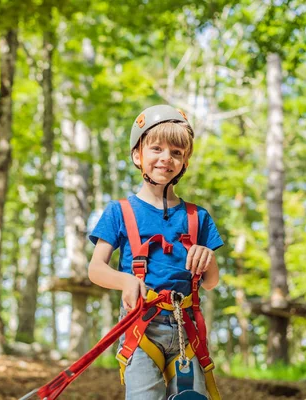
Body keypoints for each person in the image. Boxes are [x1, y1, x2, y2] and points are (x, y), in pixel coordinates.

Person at [88, 105, 224, 400]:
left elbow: (211, 282)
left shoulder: (198, 217)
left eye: (177, 152)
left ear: (185, 161)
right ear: (138, 155)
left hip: (186, 329)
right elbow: (96, 269)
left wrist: (208, 257)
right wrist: (125, 281)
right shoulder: (119, 212)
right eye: (157, 148)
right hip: (141, 327)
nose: (166, 158)